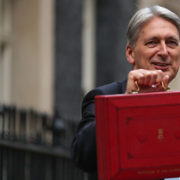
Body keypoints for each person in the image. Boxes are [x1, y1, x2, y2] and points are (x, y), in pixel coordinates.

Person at [71, 5, 180, 180]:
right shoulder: (104, 97)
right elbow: (82, 156)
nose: (164, 52)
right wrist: (128, 102)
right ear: (130, 53)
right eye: (152, 42)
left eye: (171, 43)